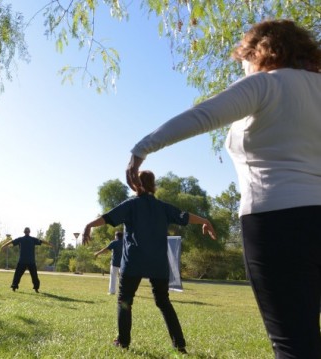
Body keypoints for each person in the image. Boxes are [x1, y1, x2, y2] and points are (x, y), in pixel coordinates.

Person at [125, 19, 321, 358]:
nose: (243, 67)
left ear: (258, 52)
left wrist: (141, 149)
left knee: (295, 343)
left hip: (278, 222)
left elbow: (202, 115)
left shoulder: (264, 85)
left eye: (243, 59)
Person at [83, 170, 216, 353]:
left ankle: (123, 342)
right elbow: (185, 216)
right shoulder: (163, 207)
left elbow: (107, 218)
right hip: (158, 265)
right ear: (153, 185)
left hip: (134, 263)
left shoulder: (130, 205)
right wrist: (205, 220)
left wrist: (88, 226)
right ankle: (180, 345)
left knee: (125, 300)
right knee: (163, 302)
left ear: (136, 184)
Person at [1, 227, 53, 293]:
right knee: (34, 276)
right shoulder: (32, 239)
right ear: (29, 232)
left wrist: (4, 245)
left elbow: (11, 241)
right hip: (31, 261)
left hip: (22, 261)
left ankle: (14, 287)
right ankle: (36, 288)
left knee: (18, 275)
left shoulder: (21, 239)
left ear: (24, 232)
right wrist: (49, 244)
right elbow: (41, 241)